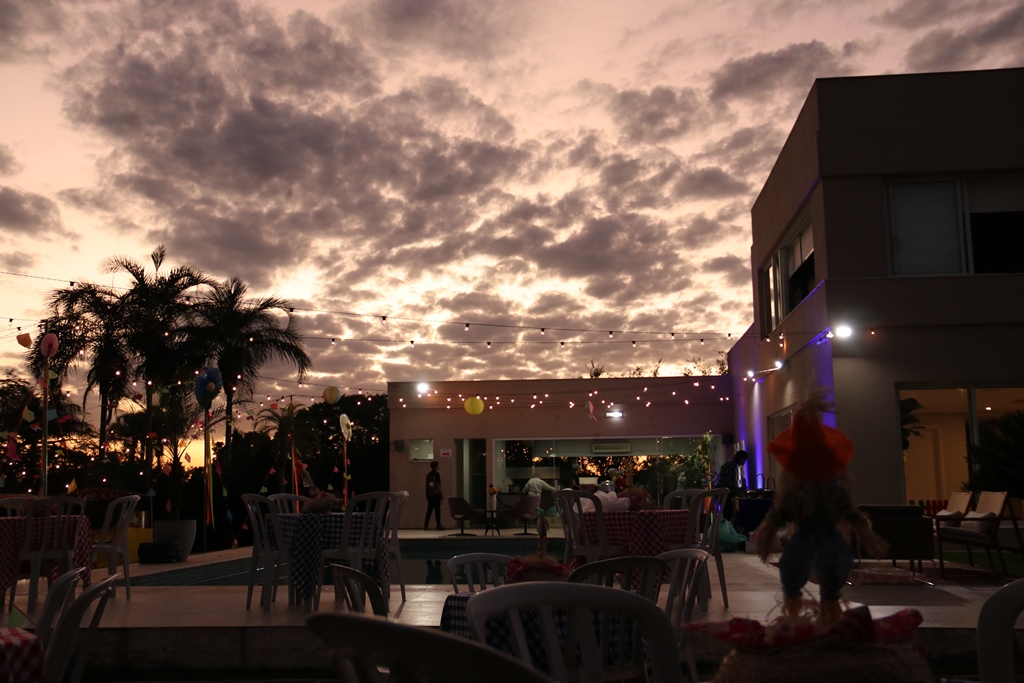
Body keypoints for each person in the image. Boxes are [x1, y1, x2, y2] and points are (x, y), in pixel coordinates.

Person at [754, 393, 888, 628]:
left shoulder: (820, 493)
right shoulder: (811, 494)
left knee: (818, 568)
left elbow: (780, 515)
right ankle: (811, 612)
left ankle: (815, 612)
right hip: (814, 536)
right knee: (805, 568)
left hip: (817, 536)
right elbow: (782, 514)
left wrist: (767, 531)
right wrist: (865, 532)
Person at [717, 450, 749, 521]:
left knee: (726, 513)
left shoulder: (730, 463)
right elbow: (727, 481)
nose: (743, 463)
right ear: (740, 458)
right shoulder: (731, 465)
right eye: (744, 460)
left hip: (721, 492)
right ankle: (726, 527)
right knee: (727, 514)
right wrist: (738, 489)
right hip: (723, 492)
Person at [423, 461, 445, 531]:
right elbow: (438, 485)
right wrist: (441, 494)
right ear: (435, 466)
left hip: (430, 495)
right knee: (437, 510)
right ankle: (438, 525)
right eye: (437, 465)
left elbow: (427, 485)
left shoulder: (428, 475)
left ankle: (426, 525)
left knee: (429, 510)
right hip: (436, 494)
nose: (438, 466)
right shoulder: (437, 474)